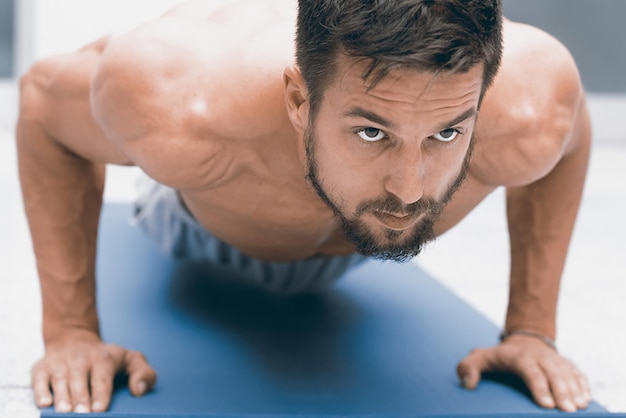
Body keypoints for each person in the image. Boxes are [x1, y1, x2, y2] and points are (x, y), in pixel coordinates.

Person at [16, 0, 592, 414]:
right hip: (201, 220)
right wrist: (70, 333)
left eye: (445, 134)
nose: (411, 189)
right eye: (372, 133)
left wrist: (531, 330)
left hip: (357, 230)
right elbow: (42, 105)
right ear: (298, 99)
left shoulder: (529, 110)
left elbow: (572, 138)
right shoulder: (183, 109)